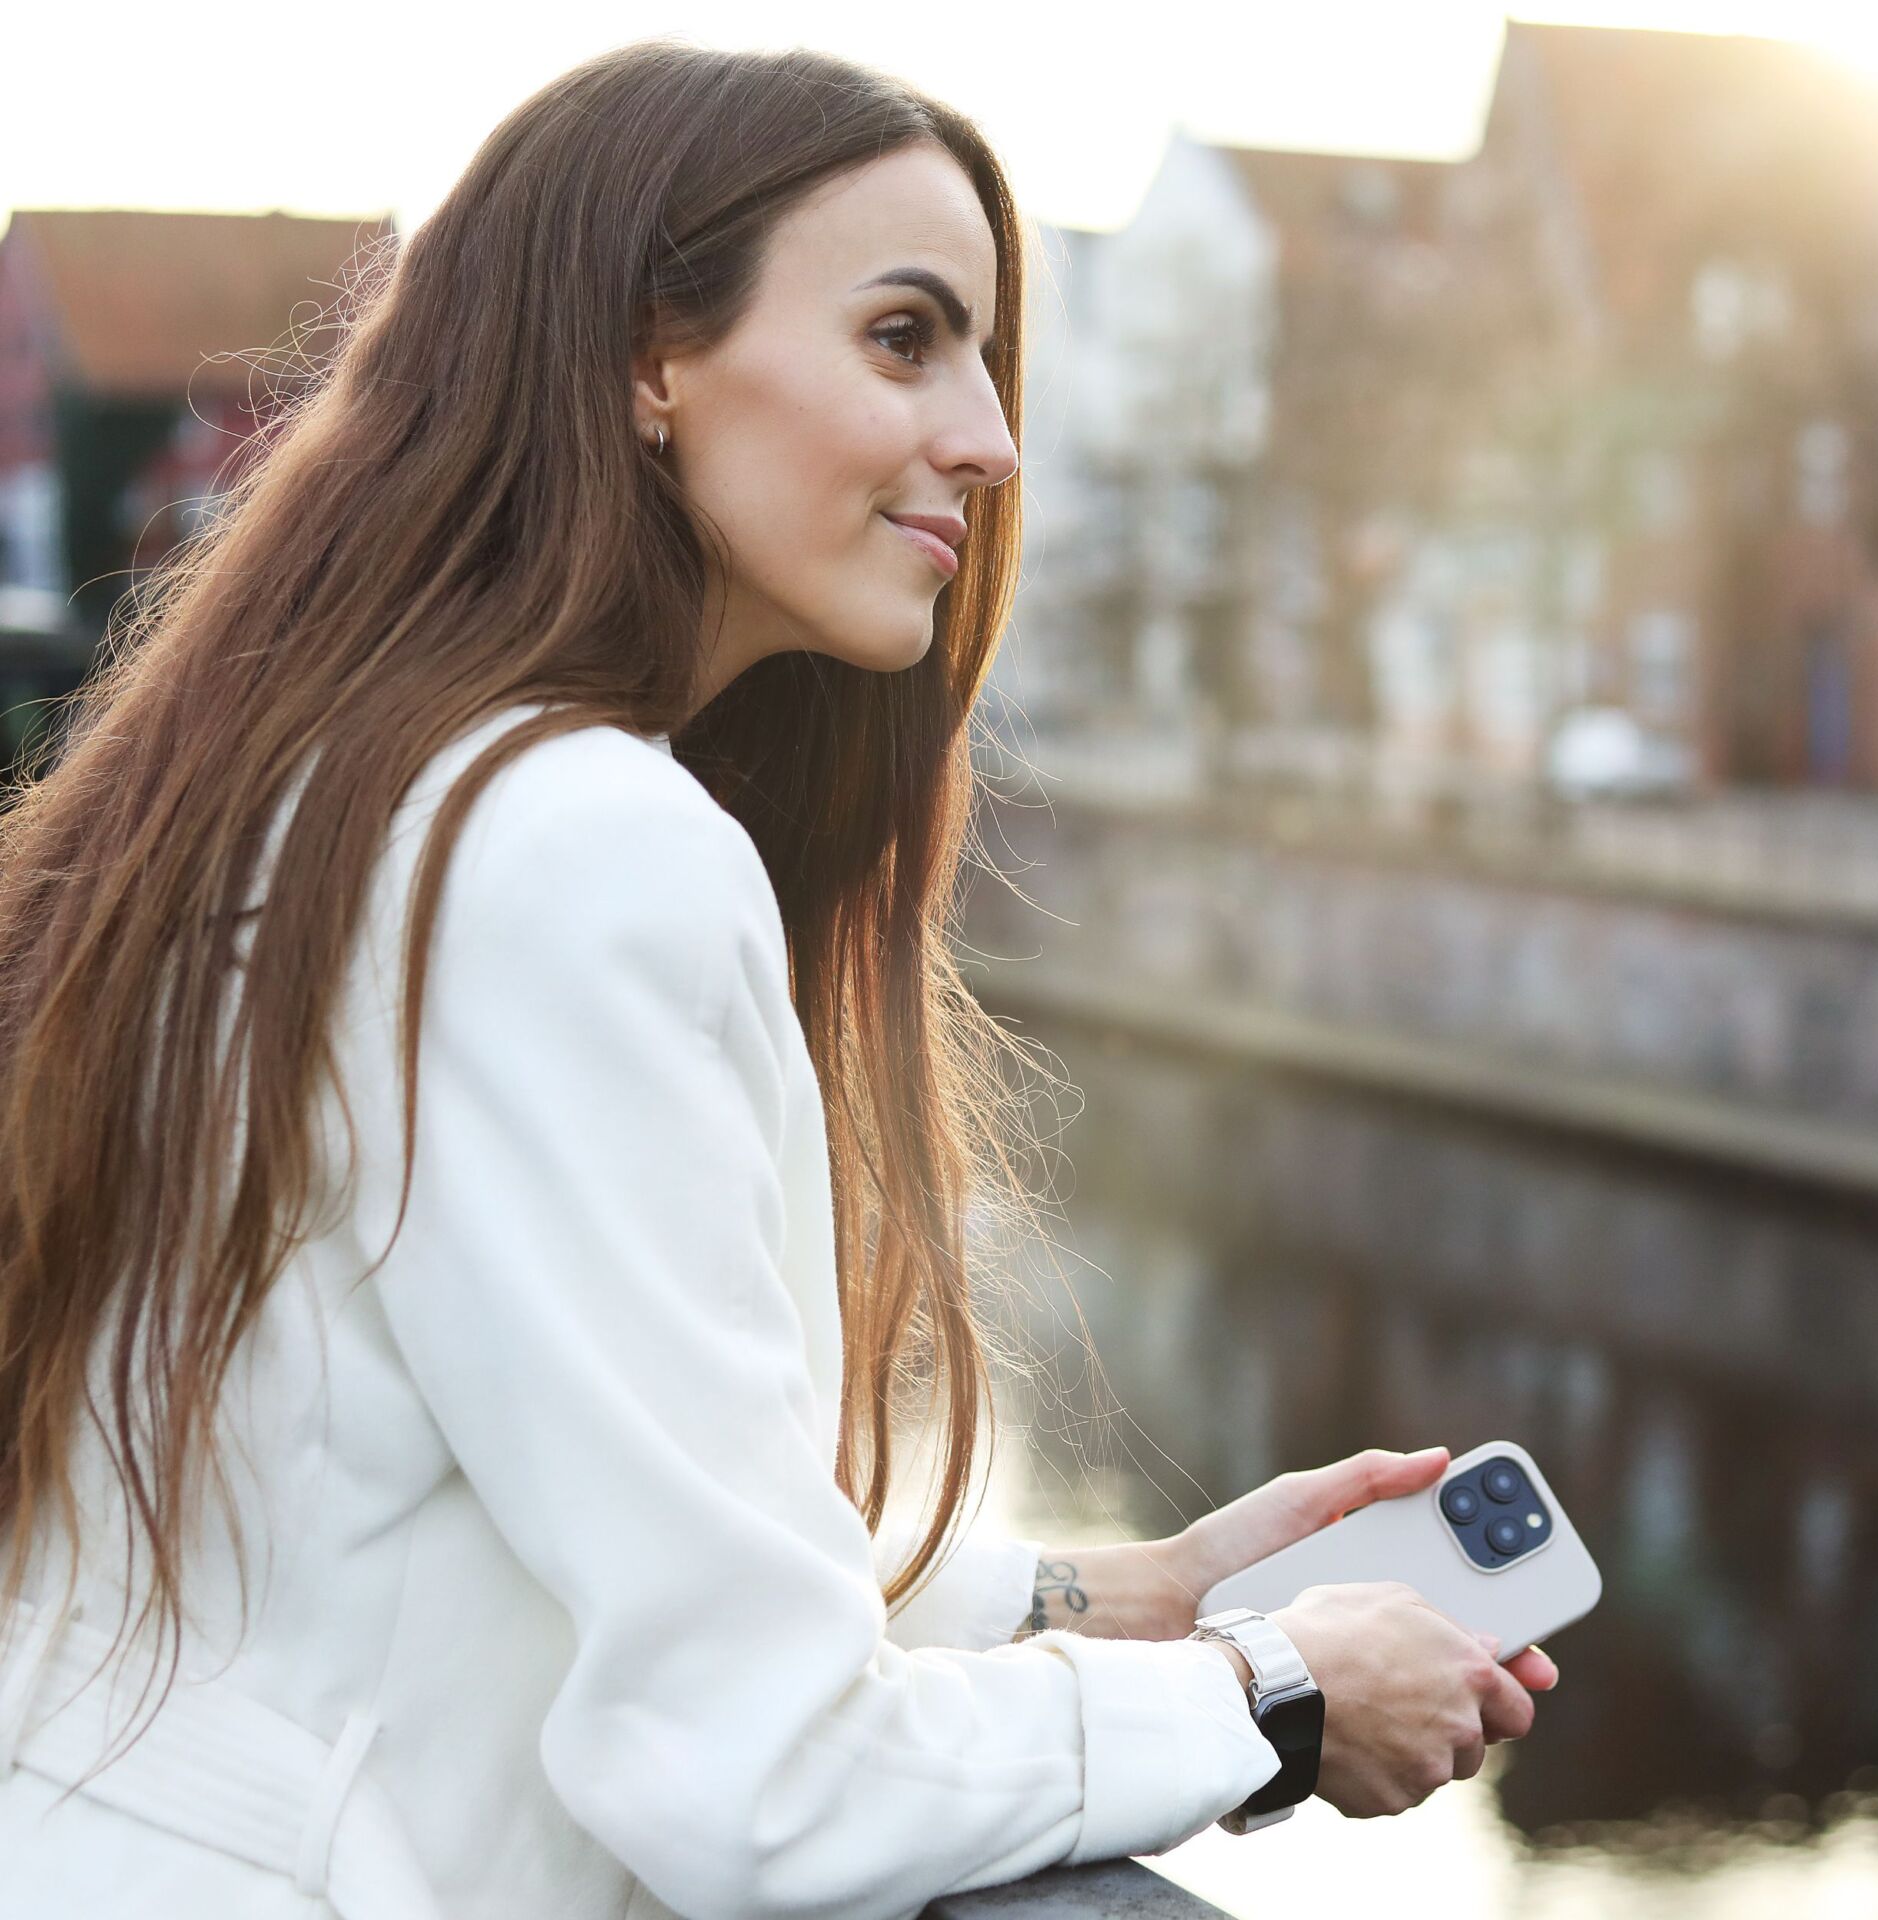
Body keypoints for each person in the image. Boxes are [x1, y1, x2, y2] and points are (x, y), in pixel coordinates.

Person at [0, 39, 1555, 1920]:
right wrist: (1276, 1697)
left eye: (986, 359)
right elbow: (759, 1774)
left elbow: (511, 1503)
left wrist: (1113, 1595)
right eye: (906, 339)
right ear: (650, 359)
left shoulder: (335, 789)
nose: (990, 438)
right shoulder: (576, 848)